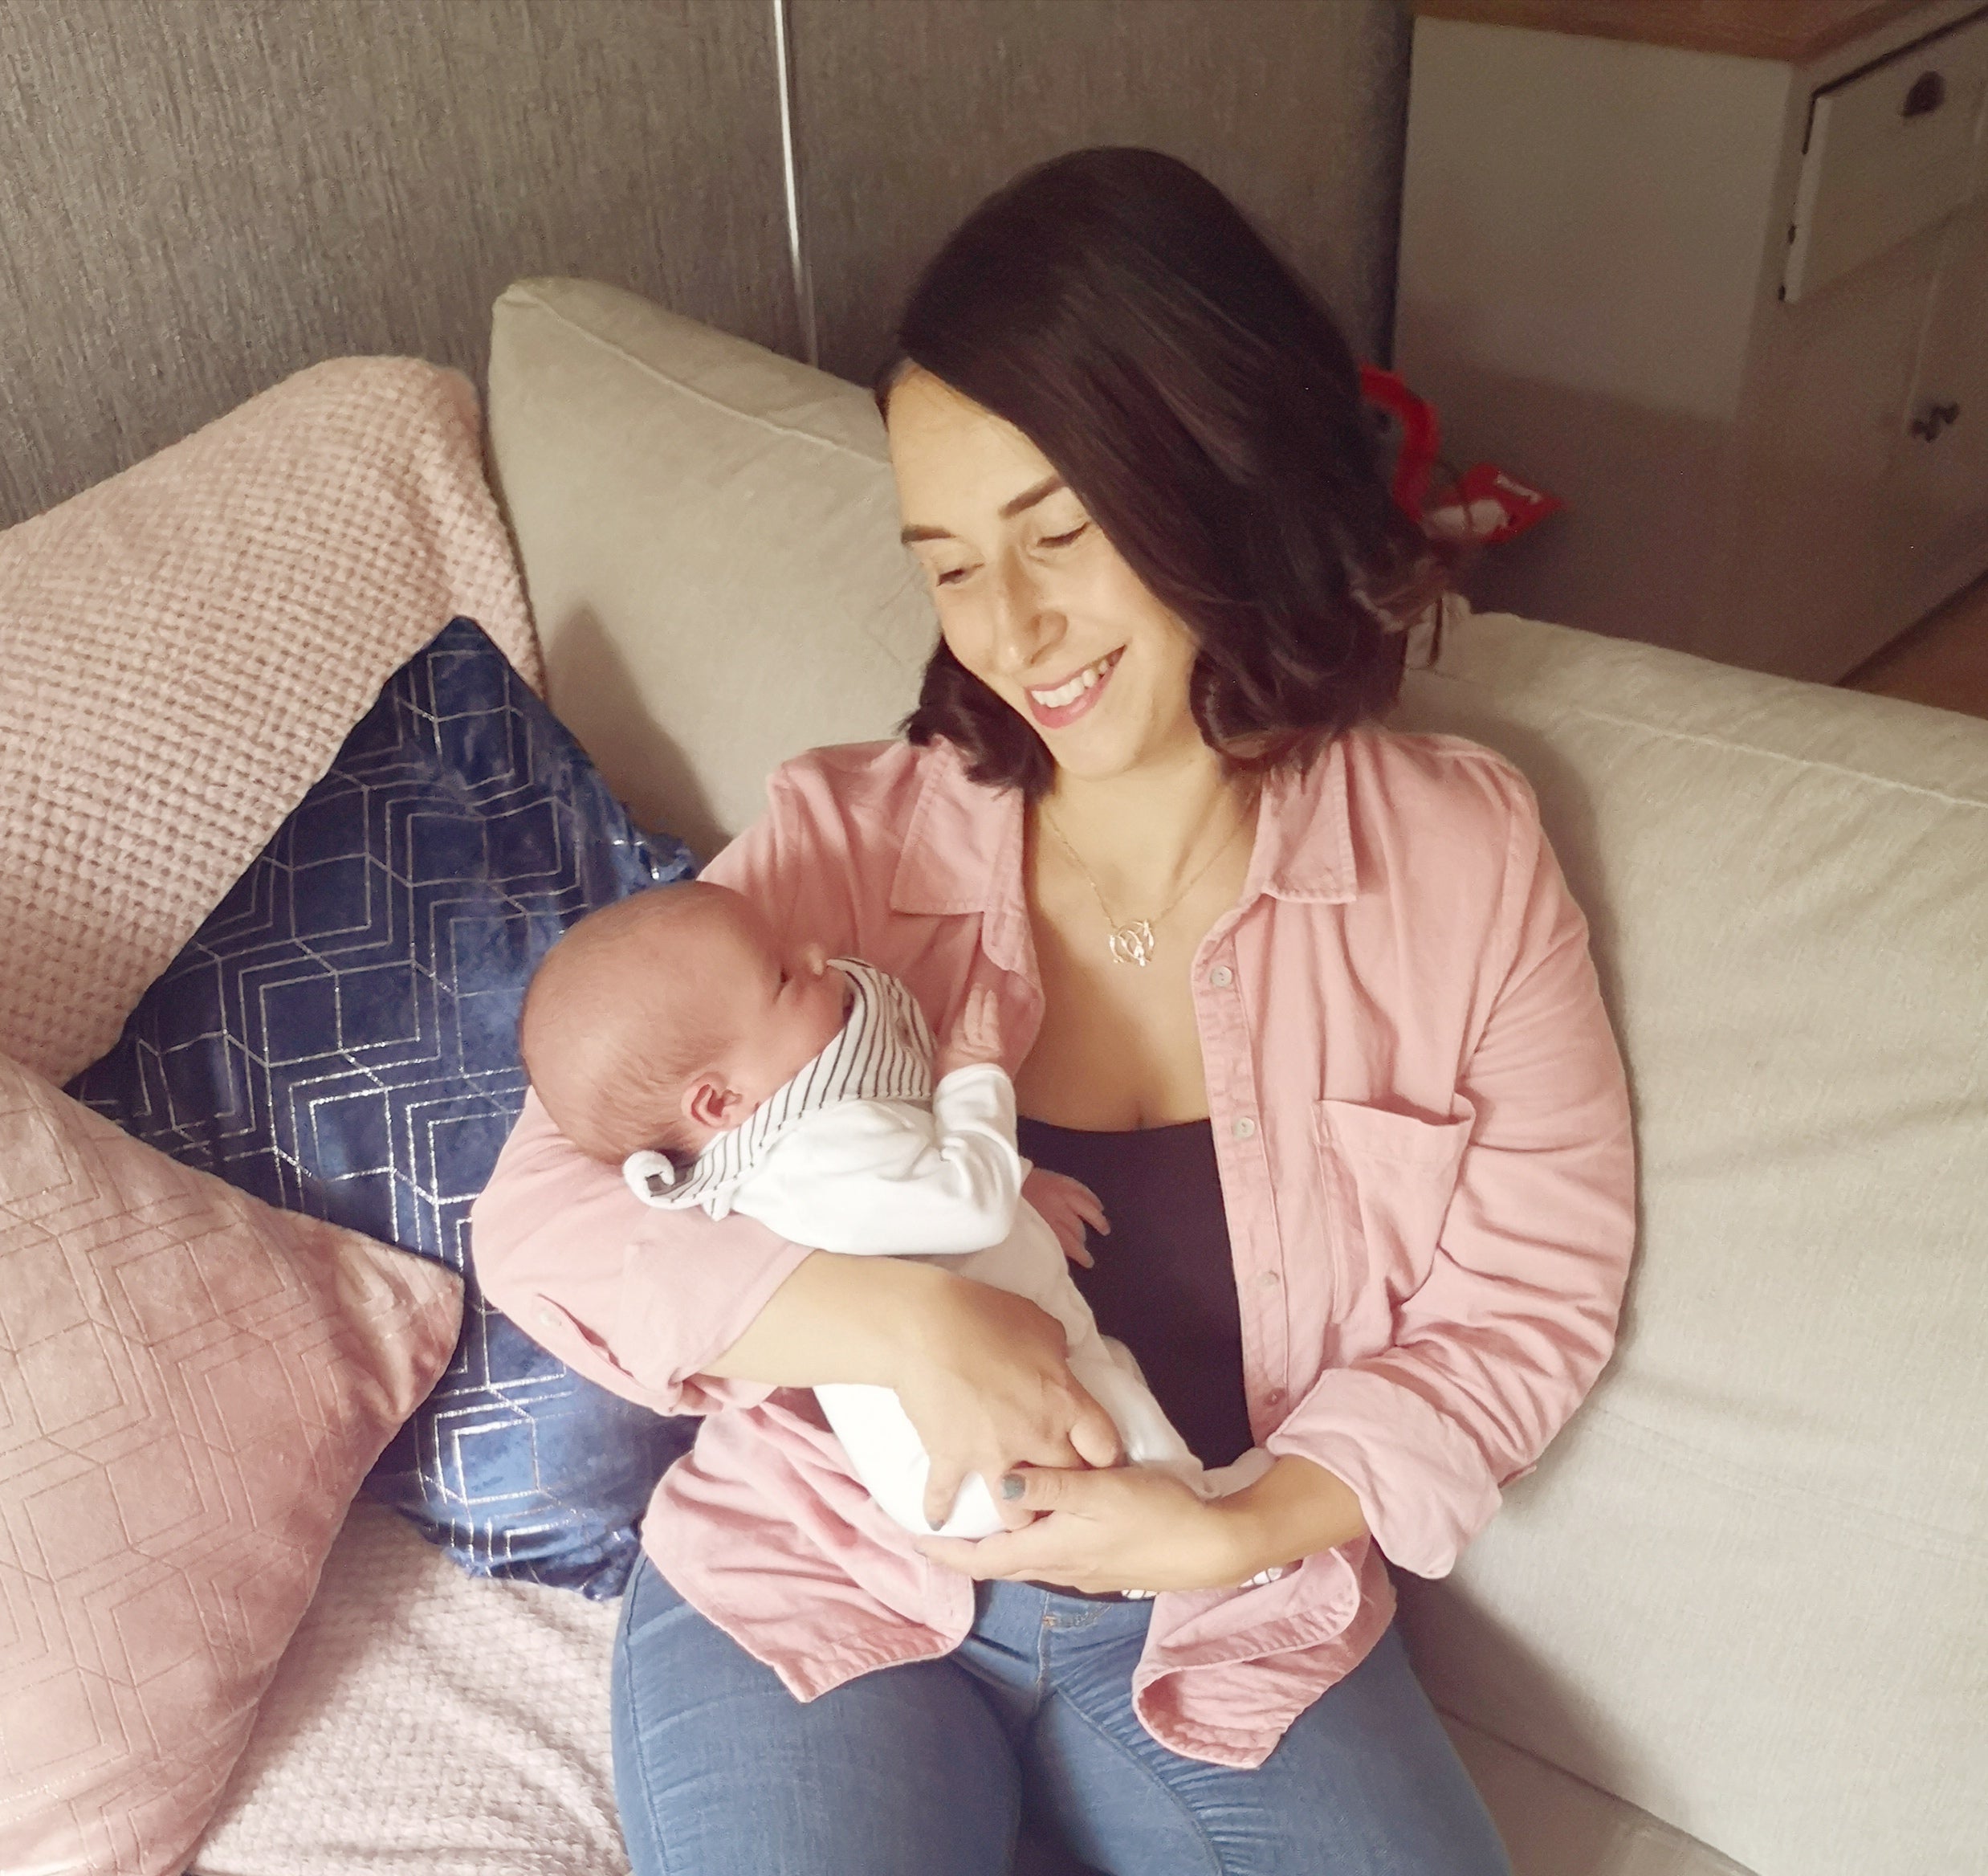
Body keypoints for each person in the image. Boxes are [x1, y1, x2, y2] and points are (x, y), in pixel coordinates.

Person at [471, 145, 1636, 1876]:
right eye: (945, 564)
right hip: (819, 1579)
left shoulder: (1455, 862)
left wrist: (1231, 1525)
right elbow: (542, 1211)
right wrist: (892, 1327)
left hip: (1222, 1611)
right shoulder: (846, 841)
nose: (1008, 631)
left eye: (1057, 537)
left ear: (1216, 478)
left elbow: (1524, 1301)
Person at [512, 879, 1272, 1540]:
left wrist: (1021, 1177)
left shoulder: (787, 1130)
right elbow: (961, 1205)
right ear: (717, 1100)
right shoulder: (815, 1150)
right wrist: (975, 1079)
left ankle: (1188, 1504)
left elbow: (906, 1174)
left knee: (1115, 1390)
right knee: (1114, 1426)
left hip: (980, 1409)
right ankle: (1190, 1517)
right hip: (962, 1451)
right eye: (783, 976)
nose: (815, 955)